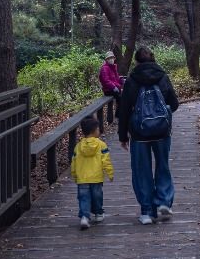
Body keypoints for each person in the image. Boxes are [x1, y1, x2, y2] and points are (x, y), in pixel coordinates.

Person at [117, 47, 179, 224]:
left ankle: (147, 211)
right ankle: (164, 201)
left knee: (141, 171)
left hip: (139, 133)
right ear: (153, 58)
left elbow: (123, 110)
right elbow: (174, 104)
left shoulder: (132, 80)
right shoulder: (162, 76)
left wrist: (123, 136)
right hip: (162, 131)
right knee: (163, 166)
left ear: (136, 61)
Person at [70, 115, 114, 230]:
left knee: (84, 198)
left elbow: (74, 162)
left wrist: (74, 175)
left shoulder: (78, 147)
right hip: (96, 177)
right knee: (97, 197)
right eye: (98, 129)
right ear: (94, 131)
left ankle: (85, 216)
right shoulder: (101, 145)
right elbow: (106, 161)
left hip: (82, 178)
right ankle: (98, 213)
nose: (99, 131)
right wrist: (110, 173)